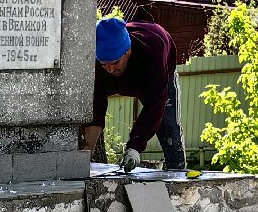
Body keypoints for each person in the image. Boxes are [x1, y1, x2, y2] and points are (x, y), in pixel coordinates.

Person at [78, 17, 186, 172]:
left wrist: (135, 147)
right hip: (134, 75)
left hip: (160, 73)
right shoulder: (98, 68)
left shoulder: (152, 52)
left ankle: (178, 175)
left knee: (169, 128)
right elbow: (97, 105)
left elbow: (155, 105)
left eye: (115, 63)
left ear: (127, 51)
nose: (110, 70)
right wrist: (89, 148)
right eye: (104, 64)